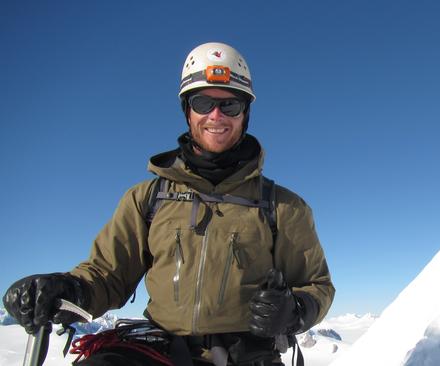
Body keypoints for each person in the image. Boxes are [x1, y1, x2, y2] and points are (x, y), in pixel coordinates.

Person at [3, 42, 335, 366]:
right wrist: (68, 288)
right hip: (159, 351)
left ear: (245, 113)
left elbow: (317, 285)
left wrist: (295, 310)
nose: (216, 115)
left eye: (230, 105)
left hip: (249, 355)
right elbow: (107, 275)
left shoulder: (282, 207)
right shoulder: (147, 199)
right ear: (187, 111)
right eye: (203, 102)